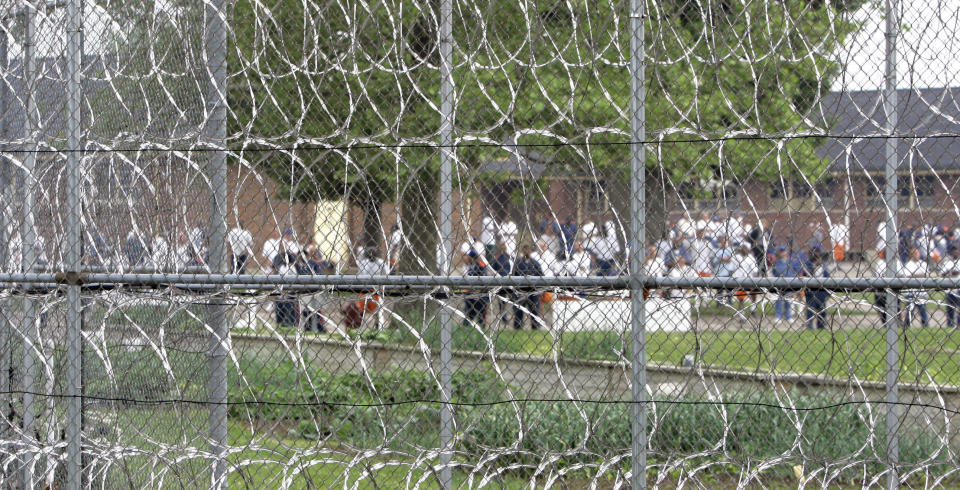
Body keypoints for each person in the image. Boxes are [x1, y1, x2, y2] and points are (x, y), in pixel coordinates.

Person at [512, 244, 544, 329]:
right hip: (520, 291)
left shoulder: (535, 263)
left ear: (530, 251)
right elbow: (513, 276)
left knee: (534, 310)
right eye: (525, 249)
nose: (526, 251)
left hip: (533, 291)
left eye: (528, 249)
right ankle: (518, 327)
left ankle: (535, 327)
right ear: (523, 251)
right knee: (519, 311)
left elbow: (541, 276)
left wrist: (539, 290)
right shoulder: (518, 263)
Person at [900, 247, 929, 327]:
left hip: (921, 293)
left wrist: (914, 275)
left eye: (918, 253)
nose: (917, 255)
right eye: (915, 253)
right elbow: (908, 276)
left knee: (923, 313)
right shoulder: (908, 265)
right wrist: (919, 275)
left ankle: (926, 327)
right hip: (911, 293)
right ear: (911, 255)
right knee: (909, 313)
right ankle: (907, 327)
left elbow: (925, 275)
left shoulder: (923, 264)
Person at [271, 249, 301, 327]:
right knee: (281, 314)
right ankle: (282, 325)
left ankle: (289, 325)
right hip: (282, 295)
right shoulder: (282, 267)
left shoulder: (291, 267)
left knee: (289, 314)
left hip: (288, 295)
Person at [463, 250, 491, 328]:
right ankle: (466, 328)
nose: (467, 259)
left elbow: (482, 278)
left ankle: (482, 330)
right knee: (468, 316)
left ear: (472, 258)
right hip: (471, 295)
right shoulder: (470, 266)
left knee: (481, 317)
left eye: (468, 257)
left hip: (480, 296)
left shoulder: (480, 265)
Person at [803, 251, 830, 330]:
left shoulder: (823, 268)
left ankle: (821, 326)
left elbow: (827, 277)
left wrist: (827, 293)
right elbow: (805, 277)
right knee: (811, 310)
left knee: (822, 310)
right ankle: (810, 325)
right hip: (811, 292)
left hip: (821, 292)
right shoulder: (808, 267)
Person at [771, 247, 794, 322]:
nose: (783, 253)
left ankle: (788, 316)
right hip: (779, 284)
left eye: (784, 251)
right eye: (781, 252)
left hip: (788, 284)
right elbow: (774, 272)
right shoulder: (777, 262)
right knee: (779, 301)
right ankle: (778, 316)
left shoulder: (790, 262)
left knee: (788, 301)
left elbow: (793, 272)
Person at [941, 246, 960, 328]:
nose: (956, 253)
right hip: (950, 289)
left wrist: (951, 271)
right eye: (954, 251)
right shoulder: (948, 262)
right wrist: (951, 272)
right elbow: (943, 273)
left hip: (959, 288)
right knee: (949, 309)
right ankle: (950, 325)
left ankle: (959, 324)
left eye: (957, 251)